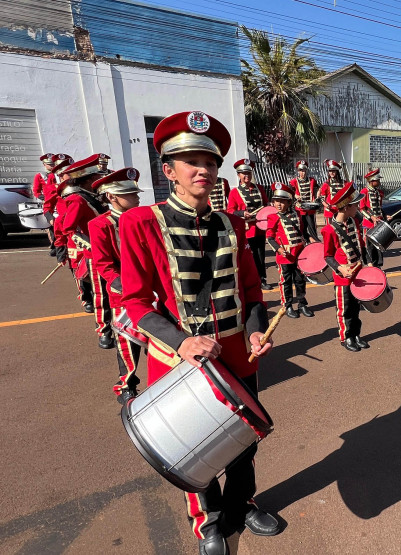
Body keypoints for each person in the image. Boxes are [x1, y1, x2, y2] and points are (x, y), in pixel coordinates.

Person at [120, 111, 280, 554]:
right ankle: (207, 522)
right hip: (179, 358)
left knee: (243, 441)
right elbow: (133, 302)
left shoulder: (234, 222)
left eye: (209, 162)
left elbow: (251, 289)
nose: (203, 170)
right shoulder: (140, 223)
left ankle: (242, 503)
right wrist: (181, 341)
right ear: (168, 171)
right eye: (190, 161)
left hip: (237, 353)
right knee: (193, 447)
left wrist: (255, 332)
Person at [88, 167, 143, 404]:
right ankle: (126, 384)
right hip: (125, 291)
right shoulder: (100, 225)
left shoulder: (144, 216)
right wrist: (125, 285)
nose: (137, 197)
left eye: (135, 193)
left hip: (151, 286)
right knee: (128, 339)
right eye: (130, 194)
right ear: (111, 197)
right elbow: (104, 265)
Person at [54, 154, 110, 318]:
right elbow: (68, 228)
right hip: (89, 247)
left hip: (103, 245)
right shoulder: (77, 200)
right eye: (97, 176)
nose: (100, 178)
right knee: (95, 286)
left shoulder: (94, 195)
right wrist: (88, 245)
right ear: (87, 179)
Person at [322, 181, 371, 352]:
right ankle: (346, 337)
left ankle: (356, 334)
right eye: (355, 204)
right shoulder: (329, 230)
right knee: (345, 309)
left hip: (357, 272)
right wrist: (340, 268)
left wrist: (368, 262)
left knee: (356, 307)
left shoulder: (354, 222)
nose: (358, 206)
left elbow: (361, 245)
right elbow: (327, 256)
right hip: (342, 277)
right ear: (345, 207)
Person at [266, 182, 314, 319]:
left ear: (289, 202)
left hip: (299, 255)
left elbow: (303, 231)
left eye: (282, 201)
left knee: (300, 280)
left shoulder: (298, 214)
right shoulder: (273, 217)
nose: (278, 204)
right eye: (276, 201)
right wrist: (278, 249)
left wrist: (311, 241)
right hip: (284, 256)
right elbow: (269, 237)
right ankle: (287, 305)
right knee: (286, 282)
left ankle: (301, 303)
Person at [227, 158, 270, 289]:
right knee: (248, 257)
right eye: (244, 173)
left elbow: (266, 204)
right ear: (239, 175)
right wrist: (242, 213)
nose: (247, 176)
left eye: (249, 173)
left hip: (260, 228)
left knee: (261, 255)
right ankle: (250, 281)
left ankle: (262, 279)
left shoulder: (260, 188)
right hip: (246, 230)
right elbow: (230, 211)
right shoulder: (234, 192)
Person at [43, 154, 72, 257]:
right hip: (64, 223)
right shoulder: (53, 186)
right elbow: (47, 207)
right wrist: (50, 218)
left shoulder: (81, 185)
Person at [359, 168, 388, 267]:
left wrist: (384, 216)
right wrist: (371, 217)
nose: (379, 182)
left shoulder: (380, 192)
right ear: (372, 181)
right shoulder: (364, 192)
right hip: (368, 224)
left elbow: (379, 207)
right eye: (377, 180)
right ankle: (370, 265)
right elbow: (362, 208)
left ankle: (378, 265)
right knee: (369, 246)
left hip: (379, 223)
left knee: (379, 246)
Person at [289, 160, 319, 242]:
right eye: (301, 171)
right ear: (298, 171)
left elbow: (318, 190)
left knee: (312, 227)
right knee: (301, 228)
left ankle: (315, 242)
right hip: (300, 209)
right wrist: (296, 196)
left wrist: (316, 197)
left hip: (310, 209)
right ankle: (304, 242)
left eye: (304, 170)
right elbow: (289, 193)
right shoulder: (293, 182)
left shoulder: (312, 180)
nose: (303, 173)